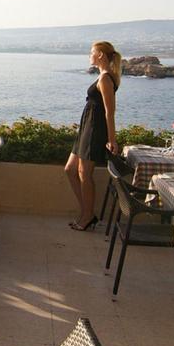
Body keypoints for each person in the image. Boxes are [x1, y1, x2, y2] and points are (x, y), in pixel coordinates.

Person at [65, 41, 121, 230]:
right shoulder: (102, 77)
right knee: (70, 169)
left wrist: (111, 139)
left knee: (84, 173)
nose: (89, 55)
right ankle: (87, 212)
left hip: (95, 129)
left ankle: (87, 216)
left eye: (92, 52)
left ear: (101, 56)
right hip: (86, 127)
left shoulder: (105, 79)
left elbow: (109, 112)